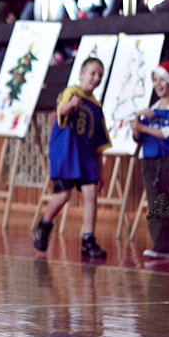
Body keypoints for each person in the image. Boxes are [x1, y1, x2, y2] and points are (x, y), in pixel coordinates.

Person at [33, 57, 111, 258]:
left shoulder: (96, 106)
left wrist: (100, 172)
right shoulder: (71, 92)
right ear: (81, 74)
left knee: (91, 193)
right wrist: (71, 104)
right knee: (63, 195)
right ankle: (44, 224)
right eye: (93, 73)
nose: (96, 78)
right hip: (66, 153)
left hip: (87, 157)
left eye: (100, 75)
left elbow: (100, 144)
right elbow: (61, 110)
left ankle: (88, 239)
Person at [130, 62, 169, 258]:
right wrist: (137, 119)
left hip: (168, 161)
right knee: (154, 202)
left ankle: (166, 245)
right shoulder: (151, 109)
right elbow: (138, 136)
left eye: (162, 79)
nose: (158, 84)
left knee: (167, 201)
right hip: (149, 161)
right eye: (155, 80)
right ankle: (161, 245)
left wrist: (143, 127)